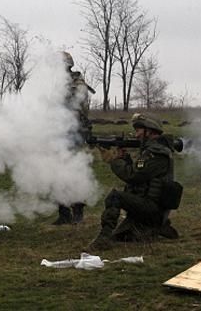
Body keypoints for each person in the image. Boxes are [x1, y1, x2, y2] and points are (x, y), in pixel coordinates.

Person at [86, 113, 179, 251]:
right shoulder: (150, 151)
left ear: (149, 131)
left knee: (114, 197)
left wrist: (114, 161)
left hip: (153, 208)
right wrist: (125, 158)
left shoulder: (157, 154)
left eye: (138, 131)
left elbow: (133, 176)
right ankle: (156, 228)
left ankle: (103, 240)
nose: (136, 135)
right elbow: (140, 177)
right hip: (149, 204)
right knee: (123, 236)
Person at [52, 51, 95, 225]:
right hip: (58, 133)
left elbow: (79, 110)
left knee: (74, 171)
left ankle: (77, 211)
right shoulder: (56, 84)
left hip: (74, 132)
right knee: (55, 172)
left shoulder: (77, 85)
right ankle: (63, 212)